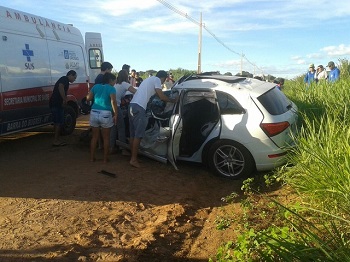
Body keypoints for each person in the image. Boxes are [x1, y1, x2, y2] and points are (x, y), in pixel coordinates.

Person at [128, 70, 177, 168]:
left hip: (132, 106)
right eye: (164, 80)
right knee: (138, 135)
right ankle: (133, 159)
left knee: (133, 135)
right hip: (140, 107)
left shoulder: (148, 80)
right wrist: (173, 100)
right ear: (163, 77)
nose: (163, 82)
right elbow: (161, 96)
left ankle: (133, 157)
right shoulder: (157, 80)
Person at [86, 73, 118, 163]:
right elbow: (113, 101)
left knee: (94, 137)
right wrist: (116, 114)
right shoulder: (111, 89)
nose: (115, 82)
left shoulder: (96, 87)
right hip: (106, 113)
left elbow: (88, 98)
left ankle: (92, 158)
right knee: (106, 138)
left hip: (94, 112)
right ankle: (105, 159)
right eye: (114, 80)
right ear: (110, 80)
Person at [110, 70, 137, 155]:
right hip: (116, 106)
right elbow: (135, 91)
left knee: (114, 127)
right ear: (126, 76)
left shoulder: (116, 84)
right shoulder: (125, 84)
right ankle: (123, 149)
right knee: (121, 127)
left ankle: (111, 147)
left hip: (110, 106)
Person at [49, 70, 77, 146]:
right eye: (74, 77)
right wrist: (64, 99)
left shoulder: (64, 80)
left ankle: (56, 139)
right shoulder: (64, 79)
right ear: (70, 75)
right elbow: (60, 86)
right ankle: (56, 140)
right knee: (58, 122)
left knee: (56, 121)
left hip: (54, 103)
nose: (74, 79)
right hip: (57, 103)